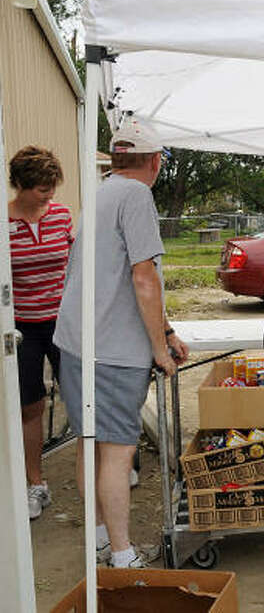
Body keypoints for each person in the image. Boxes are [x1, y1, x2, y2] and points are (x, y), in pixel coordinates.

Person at [54, 117, 189, 568]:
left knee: (89, 442)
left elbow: (126, 275)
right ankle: (122, 553)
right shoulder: (135, 195)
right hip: (110, 347)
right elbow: (143, 277)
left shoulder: (100, 191)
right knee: (116, 450)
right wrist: (157, 346)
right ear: (154, 162)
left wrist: (166, 331)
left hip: (76, 339)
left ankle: (98, 537)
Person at [8, 146, 71, 520]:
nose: (48, 194)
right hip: (23, 328)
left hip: (63, 323)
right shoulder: (4, 221)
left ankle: (100, 472)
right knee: (30, 405)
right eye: (40, 188)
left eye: (51, 186)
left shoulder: (61, 216)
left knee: (81, 396)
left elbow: (74, 264)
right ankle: (36, 484)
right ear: (20, 184)